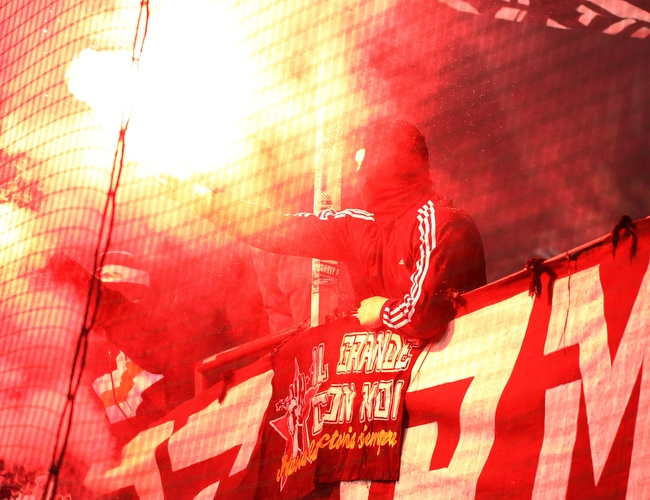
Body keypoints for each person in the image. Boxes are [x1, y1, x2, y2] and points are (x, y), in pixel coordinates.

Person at [174, 120, 486, 341]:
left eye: (363, 161)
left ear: (387, 163)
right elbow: (283, 229)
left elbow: (426, 313)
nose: (358, 174)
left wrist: (383, 310)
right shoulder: (364, 226)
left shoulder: (440, 222)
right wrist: (205, 202)